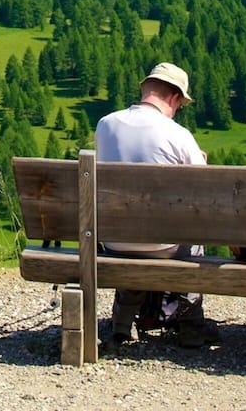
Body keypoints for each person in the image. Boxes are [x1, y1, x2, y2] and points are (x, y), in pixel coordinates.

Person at [93, 62, 218, 348]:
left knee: (128, 222)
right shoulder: (178, 134)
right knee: (193, 240)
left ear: (146, 89)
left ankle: (122, 323)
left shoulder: (105, 125)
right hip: (164, 246)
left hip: (114, 242)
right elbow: (205, 190)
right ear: (174, 97)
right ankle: (190, 324)